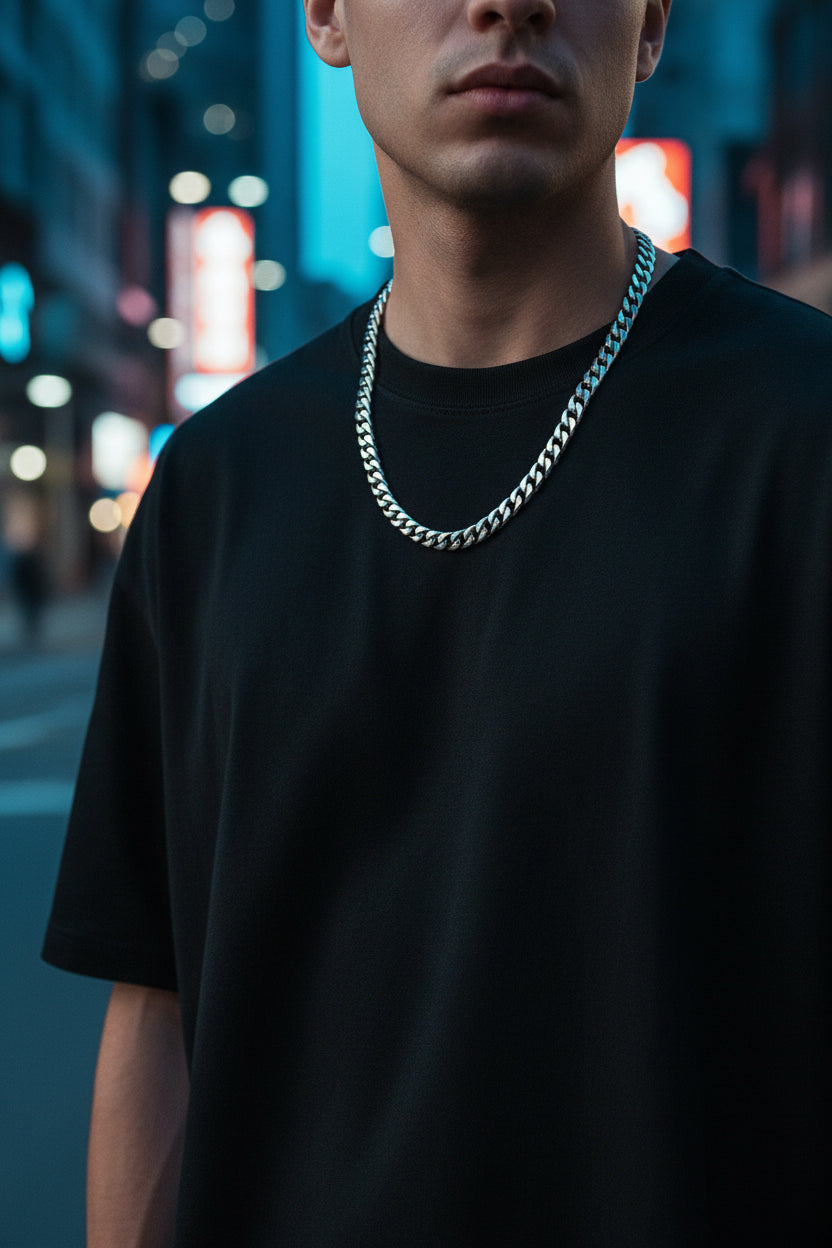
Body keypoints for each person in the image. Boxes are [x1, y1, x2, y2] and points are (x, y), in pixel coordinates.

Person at [43, 1, 832, 1244]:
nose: (502, 3)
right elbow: (159, 1006)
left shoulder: (803, 434)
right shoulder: (214, 487)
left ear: (652, 23)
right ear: (326, 17)